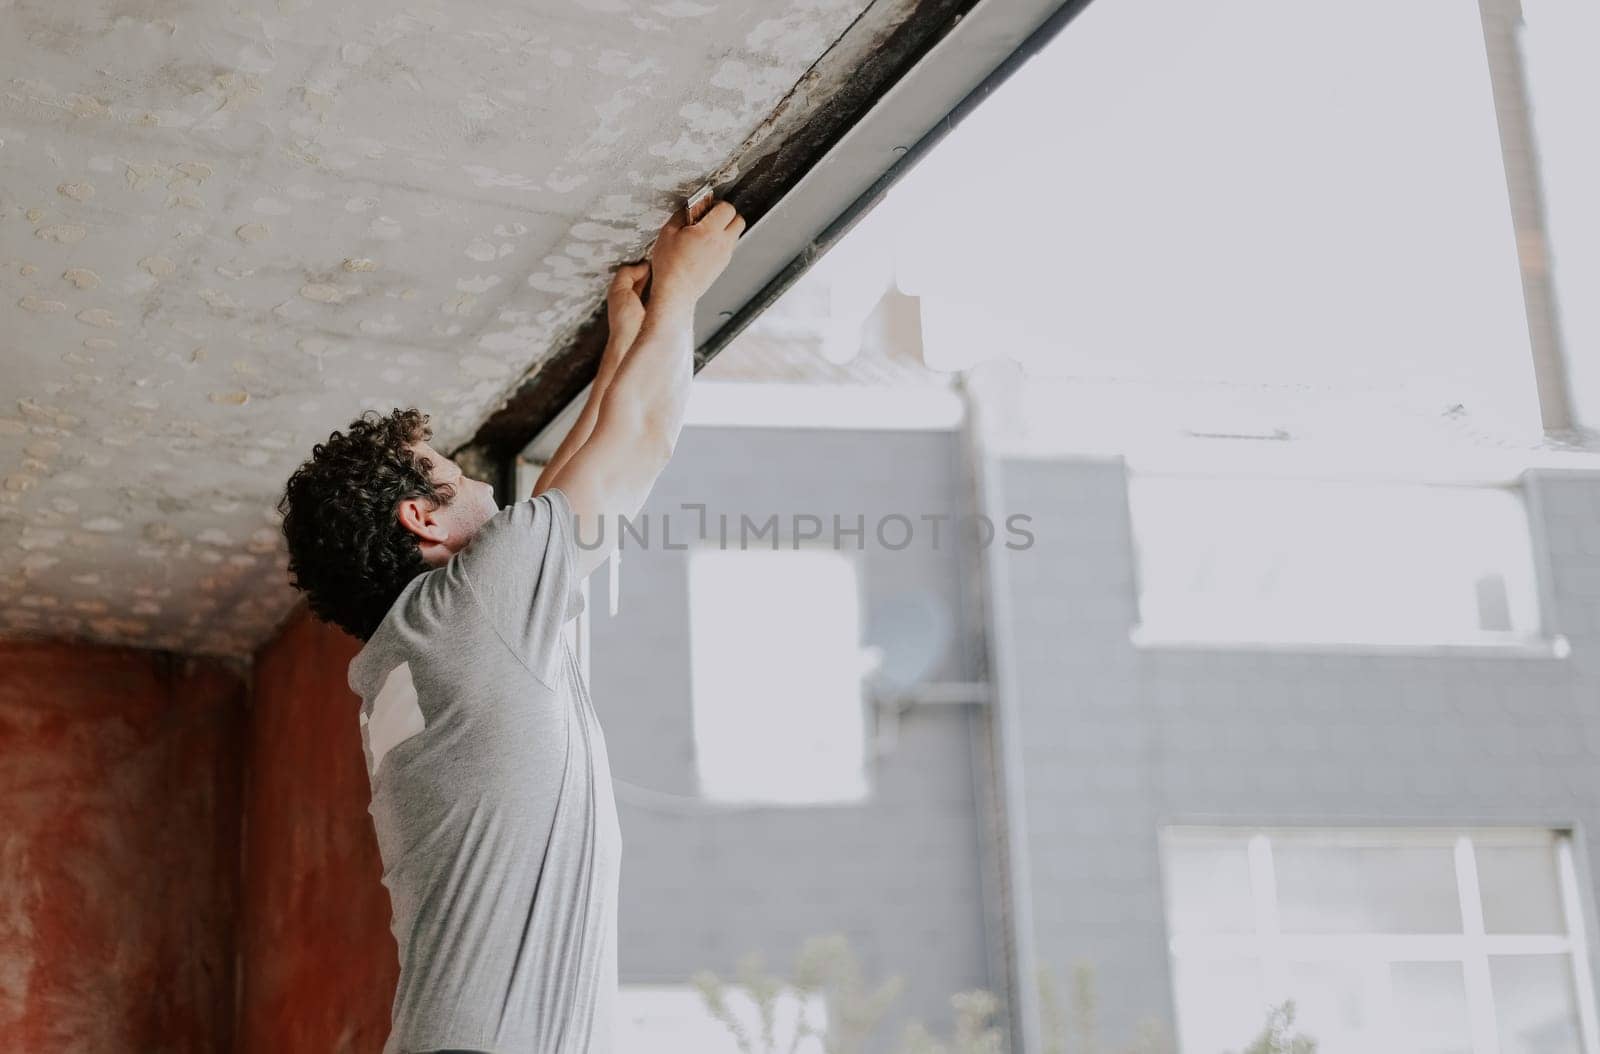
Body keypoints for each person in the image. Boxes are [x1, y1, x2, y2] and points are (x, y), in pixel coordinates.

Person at [276, 199, 745, 1054]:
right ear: (422, 519)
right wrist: (683, 288)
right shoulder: (467, 615)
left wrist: (626, 348)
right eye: (454, 472)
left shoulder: (421, 652)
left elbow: (563, 493)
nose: (480, 482)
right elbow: (636, 443)